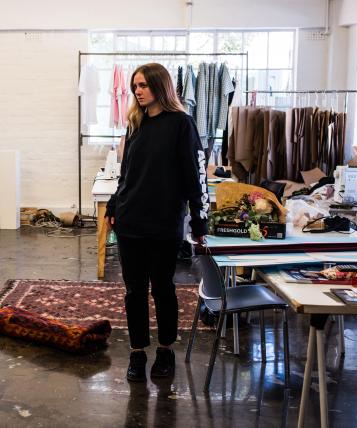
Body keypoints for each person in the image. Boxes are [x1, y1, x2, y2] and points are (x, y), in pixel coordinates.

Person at [104, 63, 209, 382]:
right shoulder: (135, 123)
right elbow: (128, 172)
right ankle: (137, 353)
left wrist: (199, 221)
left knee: (163, 289)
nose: (137, 91)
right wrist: (112, 203)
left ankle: (165, 351)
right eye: (135, 86)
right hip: (130, 219)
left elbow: (195, 175)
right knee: (134, 291)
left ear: (159, 87)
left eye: (144, 85)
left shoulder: (181, 123)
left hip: (164, 221)